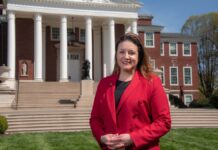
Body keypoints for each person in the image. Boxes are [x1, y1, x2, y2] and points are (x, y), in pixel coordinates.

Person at [90, 33, 171, 150]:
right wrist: (102, 137)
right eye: (121, 52)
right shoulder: (104, 84)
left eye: (131, 53)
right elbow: (95, 119)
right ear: (116, 55)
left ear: (139, 56)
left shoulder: (152, 82)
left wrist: (133, 138)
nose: (126, 56)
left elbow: (164, 122)